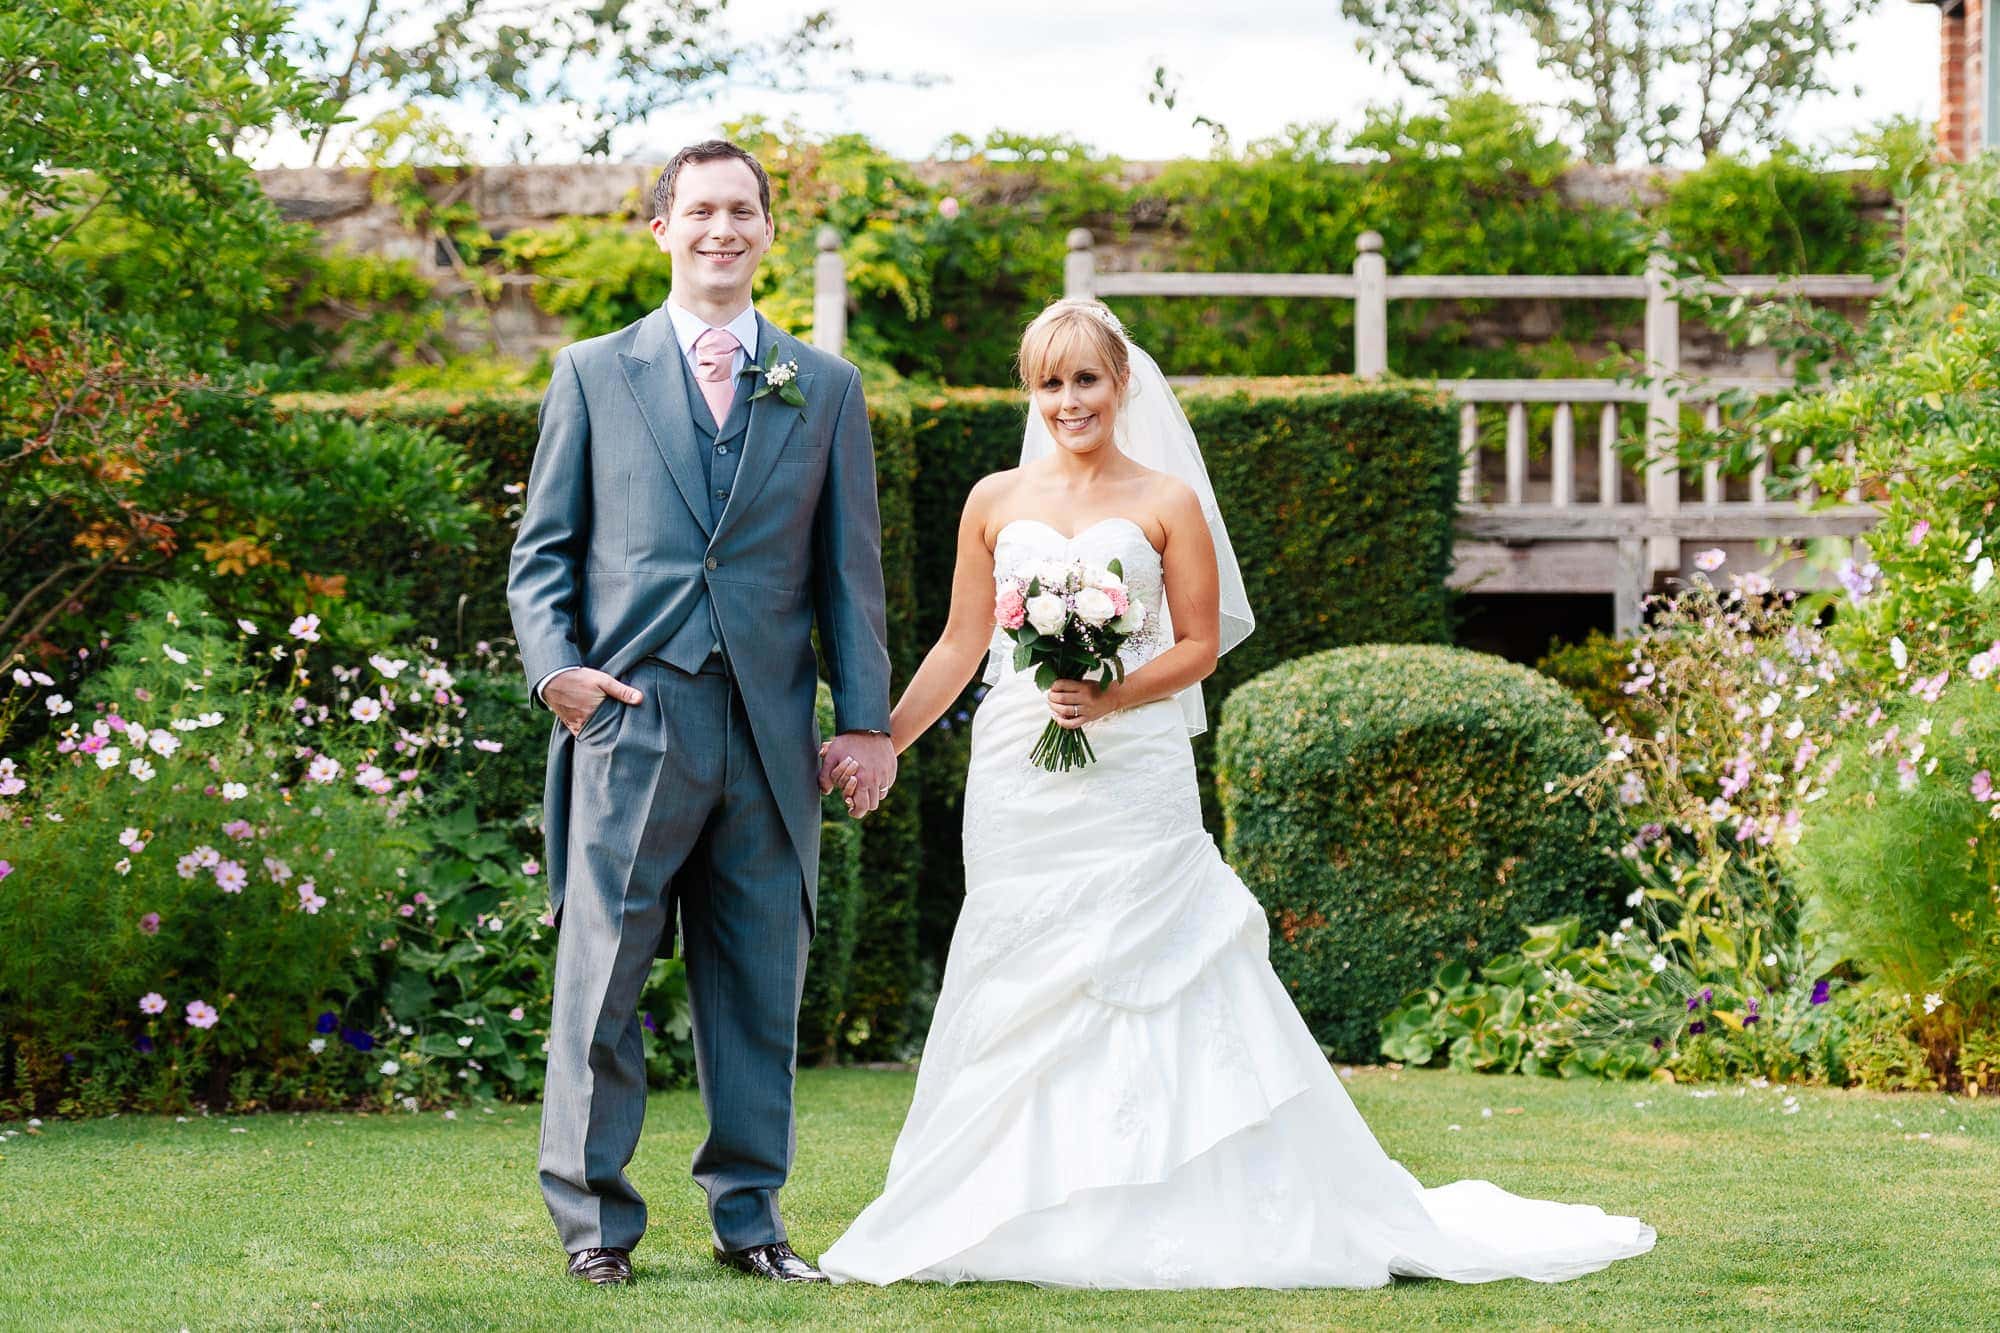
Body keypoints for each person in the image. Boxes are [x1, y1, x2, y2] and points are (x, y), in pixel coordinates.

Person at [817, 298, 1656, 1288]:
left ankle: (1181, 1205)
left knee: (1160, 963)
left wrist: (1112, 692)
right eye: (1048, 381)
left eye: (1085, 378)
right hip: (1018, 772)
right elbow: (963, 644)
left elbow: (1200, 644)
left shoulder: (1167, 500)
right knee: (1023, 968)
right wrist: (882, 742)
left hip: (1132, 772)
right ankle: (1006, 1209)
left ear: (1119, 384)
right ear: (1030, 391)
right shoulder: (992, 498)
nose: (1067, 399)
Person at [506, 138, 894, 1287]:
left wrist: (864, 720)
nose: (721, 229)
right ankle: (593, 1226)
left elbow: (849, 574)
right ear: (661, 228)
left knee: (757, 989)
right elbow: (543, 555)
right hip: (632, 719)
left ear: (767, 232)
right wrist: (556, 673)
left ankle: (750, 1219)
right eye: (700, 211)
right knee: (602, 983)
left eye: (743, 212)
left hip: (770, 733)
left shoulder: (821, 386)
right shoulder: (591, 370)